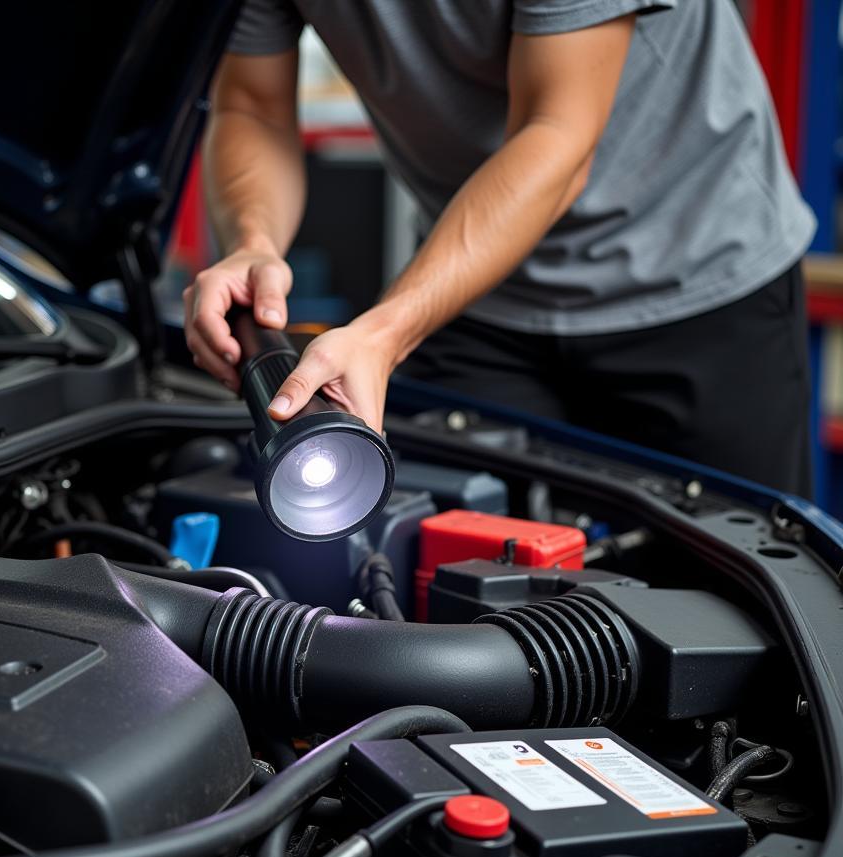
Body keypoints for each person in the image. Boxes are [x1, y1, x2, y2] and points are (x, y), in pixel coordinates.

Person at [183, 0, 816, 494]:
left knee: (735, 610)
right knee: (451, 577)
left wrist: (386, 332)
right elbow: (252, 107)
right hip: (478, 295)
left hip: (695, 276)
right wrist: (252, 243)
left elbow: (558, 135)